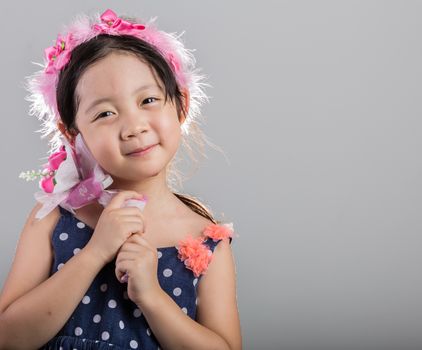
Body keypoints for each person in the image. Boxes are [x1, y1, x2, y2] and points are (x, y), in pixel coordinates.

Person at [0, 8, 241, 350]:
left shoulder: (204, 240)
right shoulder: (54, 218)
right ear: (71, 133)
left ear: (181, 105)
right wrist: (95, 252)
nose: (134, 126)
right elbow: (8, 338)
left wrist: (152, 297)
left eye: (148, 100)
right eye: (105, 113)